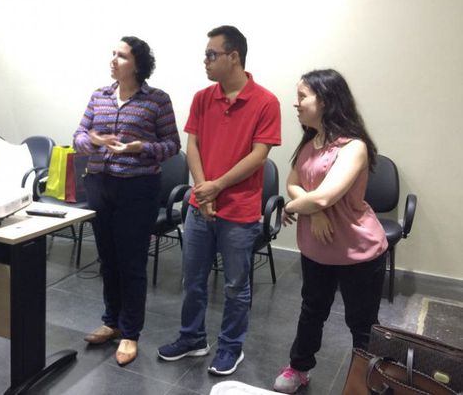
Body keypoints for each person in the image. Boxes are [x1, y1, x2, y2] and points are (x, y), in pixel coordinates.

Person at [158, 25, 281, 376]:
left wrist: (217, 187)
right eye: (206, 55)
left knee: (235, 285)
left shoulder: (266, 102)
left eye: (212, 55)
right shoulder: (202, 97)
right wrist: (202, 188)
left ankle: (230, 347)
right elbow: (192, 144)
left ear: (234, 57)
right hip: (201, 206)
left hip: (239, 210)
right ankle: (192, 338)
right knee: (192, 279)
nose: (206, 61)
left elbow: (259, 156)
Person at [272, 69, 388, 393]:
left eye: (302, 97)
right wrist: (315, 211)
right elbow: (293, 183)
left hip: (358, 250)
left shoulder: (353, 146)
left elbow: (324, 195)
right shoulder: (309, 142)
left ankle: (365, 382)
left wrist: (294, 207)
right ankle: (299, 368)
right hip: (317, 248)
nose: (296, 104)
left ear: (324, 100)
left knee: (362, 324)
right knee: (312, 311)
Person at [74, 36, 180, 366]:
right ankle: (112, 321)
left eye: (121, 56)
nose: (113, 60)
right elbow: (78, 136)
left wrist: (140, 148)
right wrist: (93, 141)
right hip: (100, 185)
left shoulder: (156, 100)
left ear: (138, 64)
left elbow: (172, 145)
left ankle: (130, 332)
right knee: (107, 259)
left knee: (131, 263)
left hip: (138, 188)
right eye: (113, 54)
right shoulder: (99, 96)